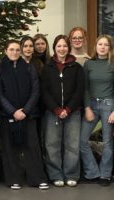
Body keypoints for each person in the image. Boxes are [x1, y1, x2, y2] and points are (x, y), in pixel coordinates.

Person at [0, 41, 49, 190]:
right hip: (7, 115)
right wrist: (13, 111)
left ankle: (37, 178)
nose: (14, 52)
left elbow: (35, 91)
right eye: (11, 49)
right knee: (10, 148)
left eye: (17, 50)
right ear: (5, 51)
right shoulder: (0, 69)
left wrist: (25, 111)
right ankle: (14, 179)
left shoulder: (29, 68)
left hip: (29, 115)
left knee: (32, 147)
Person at [41, 35, 85, 187]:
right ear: (54, 48)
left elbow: (79, 91)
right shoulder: (47, 68)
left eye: (64, 46)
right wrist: (57, 109)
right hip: (52, 112)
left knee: (72, 145)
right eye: (59, 46)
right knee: (52, 144)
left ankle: (71, 174)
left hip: (73, 112)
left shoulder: (77, 67)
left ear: (69, 48)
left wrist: (67, 109)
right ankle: (55, 175)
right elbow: (44, 91)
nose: (62, 49)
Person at [80, 35, 114, 186]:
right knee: (82, 140)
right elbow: (84, 88)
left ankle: (105, 174)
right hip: (91, 104)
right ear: (95, 46)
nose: (102, 47)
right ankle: (92, 173)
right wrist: (86, 108)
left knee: (107, 142)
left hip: (108, 105)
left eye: (106, 45)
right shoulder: (89, 64)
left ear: (110, 48)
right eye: (100, 44)